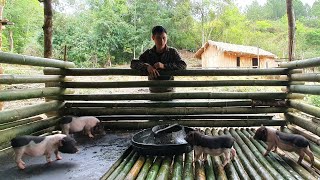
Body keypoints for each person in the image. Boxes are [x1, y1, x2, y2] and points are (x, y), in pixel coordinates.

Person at [130, 25, 187, 93]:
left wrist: (164, 66)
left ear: (167, 37)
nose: (162, 41)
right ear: (153, 38)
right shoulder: (148, 53)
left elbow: (183, 65)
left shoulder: (172, 52)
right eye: (158, 38)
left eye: (164, 38)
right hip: (153, 91)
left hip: (169, 91)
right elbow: (133, 63)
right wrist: (147, 66)